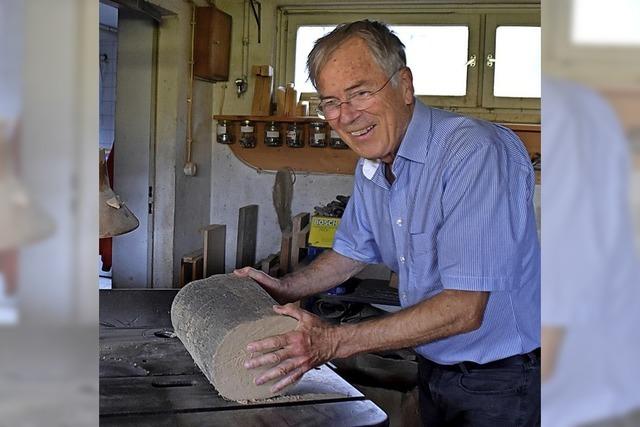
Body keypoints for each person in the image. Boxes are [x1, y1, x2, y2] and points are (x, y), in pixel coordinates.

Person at [235, 20, 540, 426]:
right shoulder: (373, 165)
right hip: (433, 364)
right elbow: (350, 252)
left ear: (405, 85)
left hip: (501, 379)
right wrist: (283, 286)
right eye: (330, 102)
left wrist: (331, 341)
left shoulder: (472, 152)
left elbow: (465, 309)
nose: (345, 115)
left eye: (360, 92)